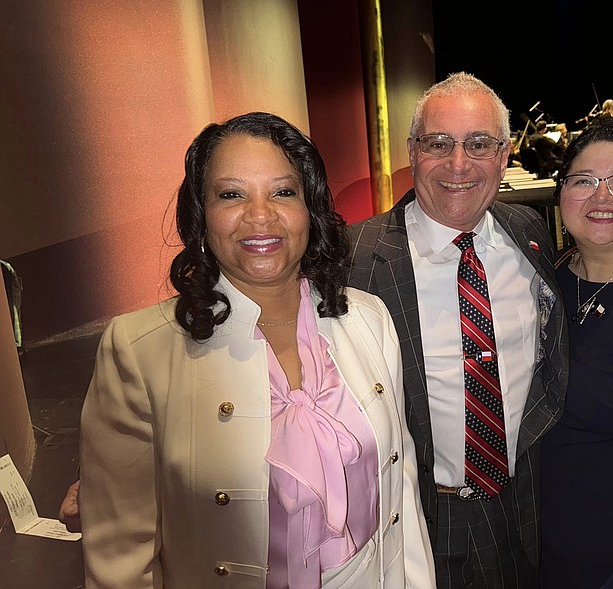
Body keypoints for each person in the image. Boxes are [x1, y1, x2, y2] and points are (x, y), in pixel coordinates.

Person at [77, 112, 435, 588]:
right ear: (201, 215)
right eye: (231, 195)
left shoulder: (367, 318)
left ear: (311, 208)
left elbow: (401, 490)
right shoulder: (140, 351)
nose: (260, 215)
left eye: (283, 192)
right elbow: (119, 555)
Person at [346, 72, 569, 589]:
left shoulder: (529, 233)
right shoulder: (353, 257)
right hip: (422, 516)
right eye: (438, 143)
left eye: (479, 144)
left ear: (505, 153)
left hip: (524, 504)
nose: (459, 164)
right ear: (412, 150)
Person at [540, 122, 613, 589]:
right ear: (561, 194)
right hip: (540, 542)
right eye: (584, 180)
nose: (602, 196)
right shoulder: (543, 278)